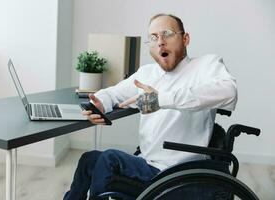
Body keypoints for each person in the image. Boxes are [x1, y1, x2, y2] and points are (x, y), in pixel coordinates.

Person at [63, 13, 237, 200]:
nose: (160, 42)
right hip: (145, 162)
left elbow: (229, 92)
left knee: (110, 159)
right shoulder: (147, 73)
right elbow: (113, 93)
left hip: (173, 172)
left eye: (168, 34)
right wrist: (100, 104)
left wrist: (160, 99)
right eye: (154, 37)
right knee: (89, 160)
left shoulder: (205, 66)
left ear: (185, 38)